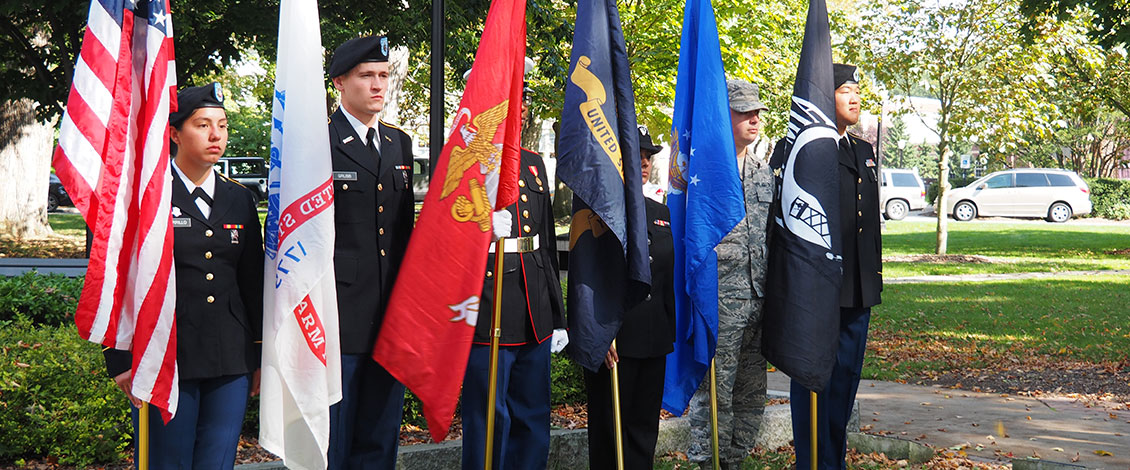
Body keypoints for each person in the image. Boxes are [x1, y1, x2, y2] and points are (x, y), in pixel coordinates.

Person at [104, 82, 264, 469]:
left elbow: (252, 281)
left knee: (218, 460)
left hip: (230, 357)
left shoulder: (239, 198)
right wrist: (120, 357)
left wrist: (259, 355)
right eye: (203, 124)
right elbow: (118, 276)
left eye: (223, 125)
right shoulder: (148, 196)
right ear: (174, 133)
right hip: (165, 354)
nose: (216, 135)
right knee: (168, 461)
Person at [461, 68, 568, 470]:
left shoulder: (533, 162)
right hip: (489, 306)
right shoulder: (465, 159)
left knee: (533, 415)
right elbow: (444, 240)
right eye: (508, 99)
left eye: (521, 100)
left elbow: (545, 248)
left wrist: (556, 316)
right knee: (489, 416)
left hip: (532, 305)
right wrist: (482, 232)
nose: (518, 108)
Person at [325, 35, 416, 468]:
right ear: (340, 82)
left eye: (383, 76)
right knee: (335, 439)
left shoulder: (399, 143)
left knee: (381, 437)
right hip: (338, 314)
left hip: (391, 315)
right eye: (367, 76)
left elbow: (405, 233)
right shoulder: (319, 144)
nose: (379, 85)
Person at [788, 63, 882, 470]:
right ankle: (812, 462)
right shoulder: (807, 149)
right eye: (845, 90)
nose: (855, 97)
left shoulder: (863, 150)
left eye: (857, 90)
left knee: (844, 383)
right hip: (819, 286)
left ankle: (834, 461)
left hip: (857, 288)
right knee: (813, 380)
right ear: (827, 98)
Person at [686, 79, 772, 470]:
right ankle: (709, 464)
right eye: (745, 113)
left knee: (752, 399)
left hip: (757, 300)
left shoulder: (762, 172)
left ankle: (733, 462)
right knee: (714, 398)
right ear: (726, 116)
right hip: (718, 303)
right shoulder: (704, 174)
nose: (755, 120)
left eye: (758, 114)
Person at [583, 126, 676, 470]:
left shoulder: (660, 212)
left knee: (643, 431)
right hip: (614, 340)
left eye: (647, 156)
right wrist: (597, 330)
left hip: (653, 339)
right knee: (610, 434)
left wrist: (671, 329)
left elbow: (666, 278)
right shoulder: (597, 213)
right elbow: (587, 276)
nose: (645, 162)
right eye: (635, 157)